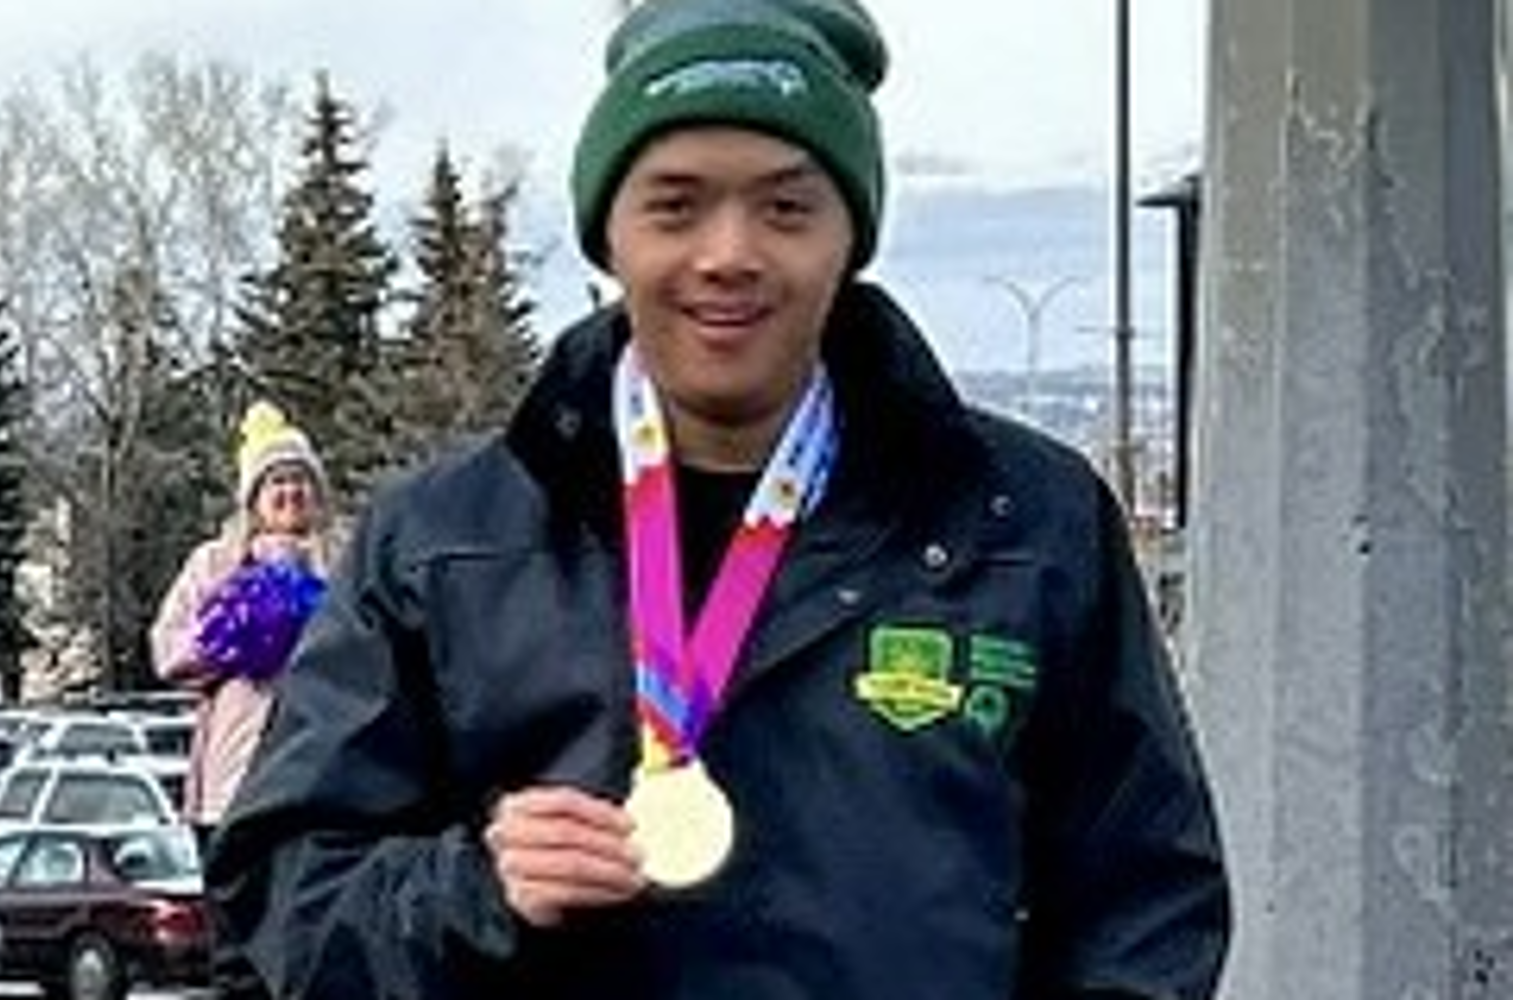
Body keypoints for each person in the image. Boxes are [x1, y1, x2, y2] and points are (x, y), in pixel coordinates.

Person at [210, 1, 1231, 997]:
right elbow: (278, 907)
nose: (729, 253)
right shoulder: (443, 542)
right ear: (608, 233)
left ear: (851, 234)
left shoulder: (1023, 524)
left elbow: (1148, 901)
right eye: (675, 202)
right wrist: (473, 888)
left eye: (787, 205)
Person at [151, 400, 338, 1000]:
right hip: (230, 788)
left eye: (299, 481)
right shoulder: (214, 563)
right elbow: (168, 649)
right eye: (276, 482)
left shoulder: (344, 560)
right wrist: (233, 638)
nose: (289, 493)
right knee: (236, 951)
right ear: (252, 499)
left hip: (319, 785)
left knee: (311, 940)